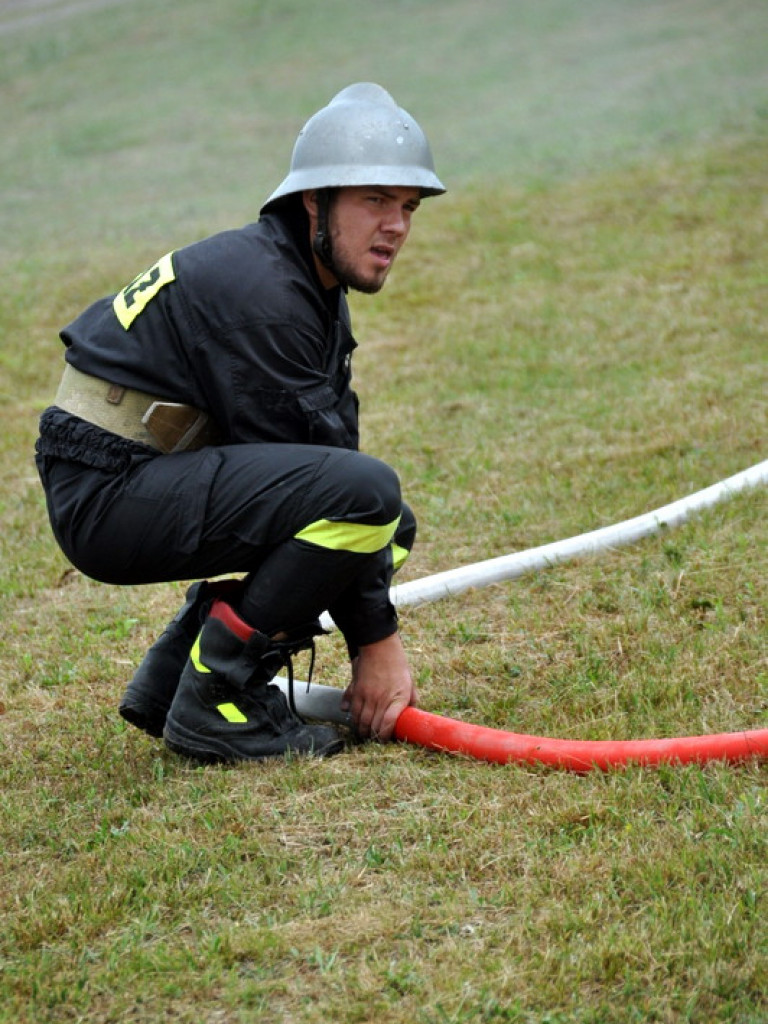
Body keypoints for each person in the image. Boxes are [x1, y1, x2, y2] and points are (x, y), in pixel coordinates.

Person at [35, 83, 445, 763]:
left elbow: (333, 461)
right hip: (108, 493)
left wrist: (372, 623)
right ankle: (216, 705)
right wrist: (378, 645)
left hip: (129, 476)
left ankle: (174, 680)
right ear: (314, 201)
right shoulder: (267, 297)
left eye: (406, 207)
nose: (396, 225)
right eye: (373, 200)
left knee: (382, 516)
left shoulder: (303, 281)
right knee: (364, 503)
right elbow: (340, 487)